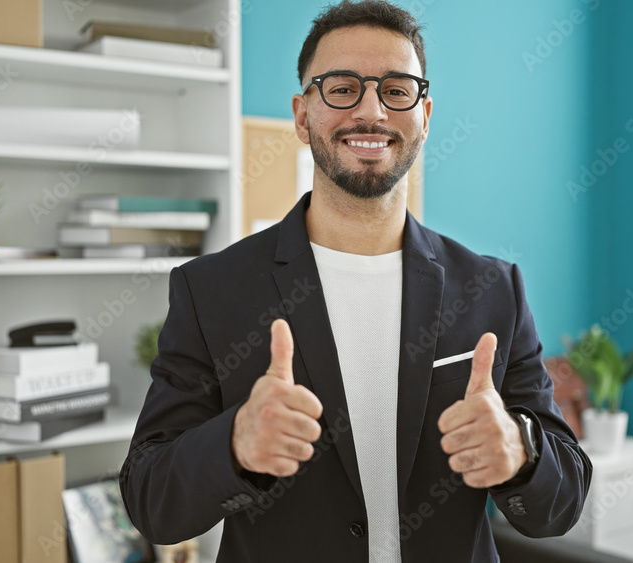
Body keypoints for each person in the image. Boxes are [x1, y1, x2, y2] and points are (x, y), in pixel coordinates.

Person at [119, 1, 592, 561]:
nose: (371, 111)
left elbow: (560, 508)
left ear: (425, 114)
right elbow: (151, 501)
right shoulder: (210, 289)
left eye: (397, 89)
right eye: (342, 88)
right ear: (302, 115)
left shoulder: (493, 289)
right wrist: (234, 444)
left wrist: (519, 451)